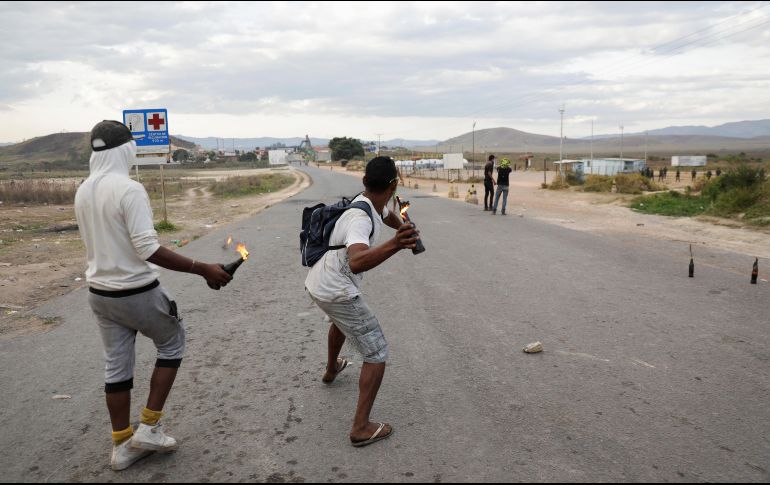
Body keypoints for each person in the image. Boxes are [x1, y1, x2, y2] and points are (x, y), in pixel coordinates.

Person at [74, 121, 232, 471]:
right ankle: (149, 427)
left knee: (116, 366)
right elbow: (147, 247)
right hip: (137, 292)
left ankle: (121, 446)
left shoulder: (83, 190)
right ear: (126, 150)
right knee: (172, 343)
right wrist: (202, 267)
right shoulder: (129, 189)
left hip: (99, 294)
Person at [304, 156, 420, 447]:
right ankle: (360, 427)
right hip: (337, 289)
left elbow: (385, 214)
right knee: (377, 352)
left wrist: (400, 226)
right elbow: (356, 262)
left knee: (340, 325)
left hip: (320, 282)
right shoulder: (359, 218)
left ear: (365, 182)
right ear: (393, 184)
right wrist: (396, 244)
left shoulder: (367, 202)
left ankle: (332, 369)